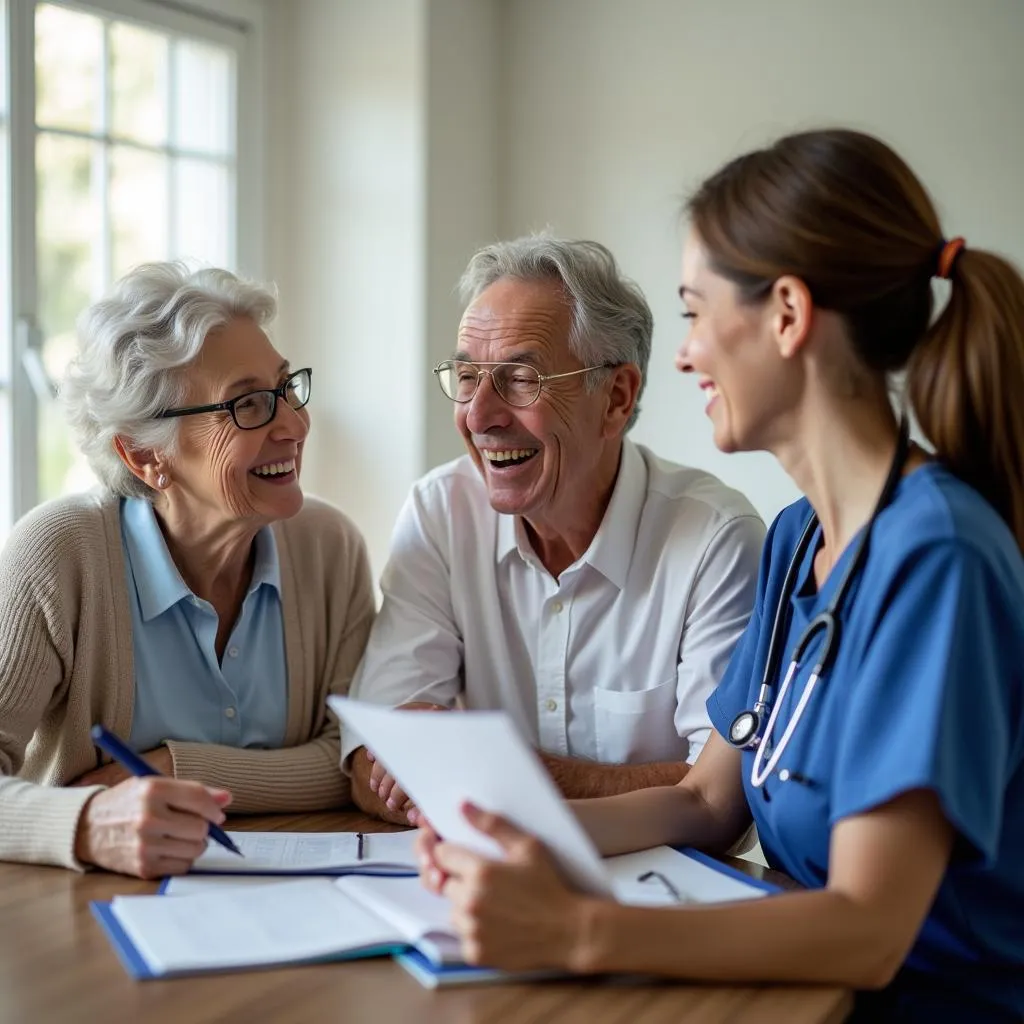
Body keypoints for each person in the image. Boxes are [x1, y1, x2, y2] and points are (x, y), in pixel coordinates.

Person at [415, 130, 1024, 1023]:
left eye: (696, 313)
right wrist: (520, 840)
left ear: (786, 315)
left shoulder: (936, 558)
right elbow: (706, 800)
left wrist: (577, 931)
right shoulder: (796, 540)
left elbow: (869, 927)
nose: (686, 355)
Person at [343, 237, 765, 825]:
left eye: (520, 378)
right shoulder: (441, 511)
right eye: (467, 377)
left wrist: (501, 772)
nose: (479, 415)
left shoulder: (717, 540)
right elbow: (369, 757)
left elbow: (722, 798)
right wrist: (400, 765)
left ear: (616, 398)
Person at [0, 263, 375, 878]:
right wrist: (88, 823)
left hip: (286, 901)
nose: (295, 425)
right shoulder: (59, 556)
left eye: (287, 388)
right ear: (145, 456)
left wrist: (177, 767)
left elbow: (348, 758)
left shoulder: (328, 548)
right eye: (249, 404)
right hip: (81, 917)